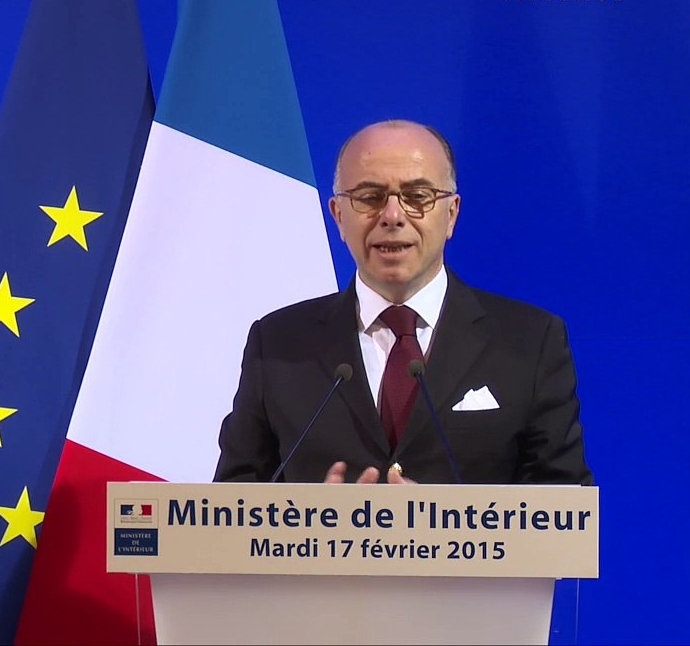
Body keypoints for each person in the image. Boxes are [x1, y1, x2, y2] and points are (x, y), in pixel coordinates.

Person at [214, 120, 591, 485]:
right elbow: (228, 512)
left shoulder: (530, 342)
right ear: (338, 216)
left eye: (417, 197)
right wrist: (309, 525)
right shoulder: (278, 343)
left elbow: (565, 520)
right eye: (369, 197)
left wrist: (440, 529)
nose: (392, 216)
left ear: (452, 214)